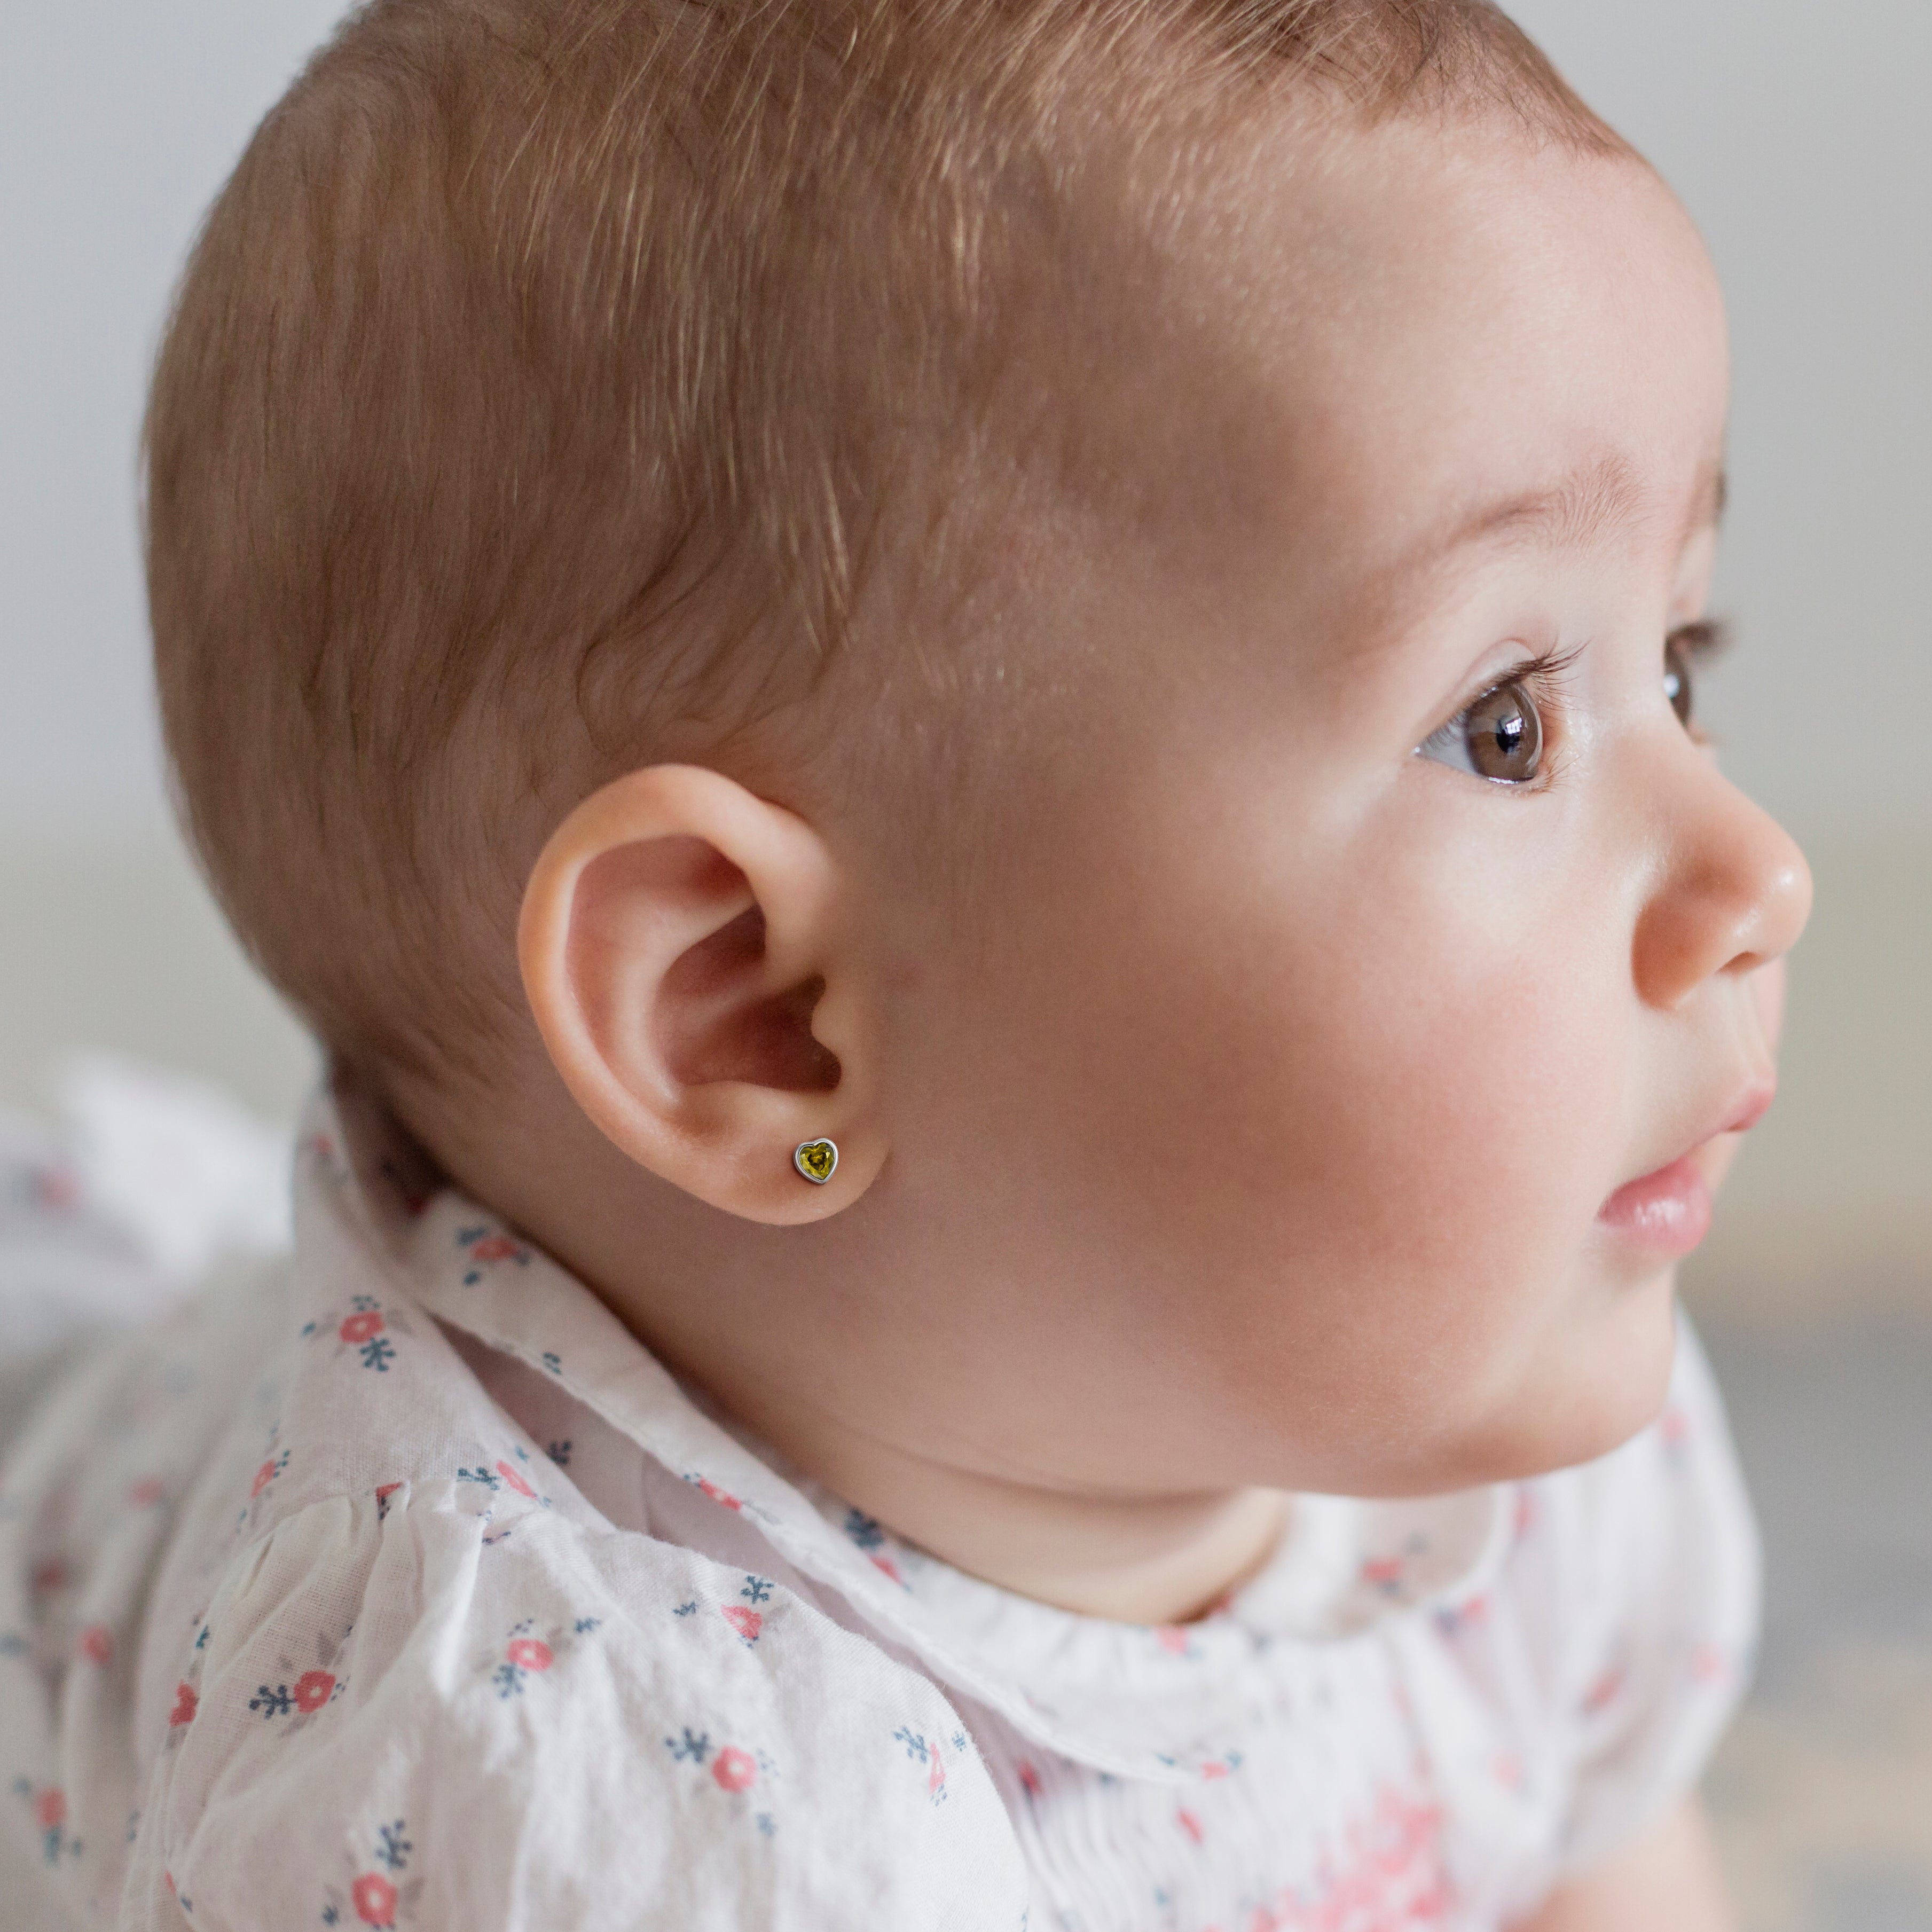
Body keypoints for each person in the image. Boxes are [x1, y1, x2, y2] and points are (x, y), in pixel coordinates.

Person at [0, 1, 1811, 1925]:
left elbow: (1591, 1851)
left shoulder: (1491, 1406)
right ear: (763, 1018)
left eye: (1678, 660)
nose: (1759, 868)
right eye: (1501, 725)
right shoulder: (610, 1801)